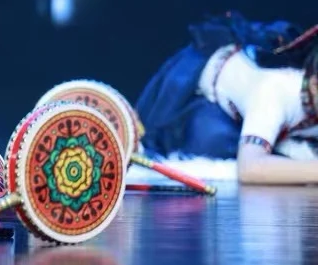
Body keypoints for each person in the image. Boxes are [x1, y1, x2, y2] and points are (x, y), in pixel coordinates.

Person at [135, 12, 318, 185]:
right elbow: (249, 169)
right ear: (314, 85)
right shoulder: (277, 90)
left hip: (268, 117)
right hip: (204, 90)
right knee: (213, 144)